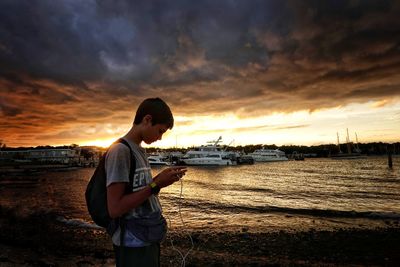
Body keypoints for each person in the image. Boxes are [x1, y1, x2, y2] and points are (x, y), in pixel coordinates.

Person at [106, 97, 187, 267]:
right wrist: (156, 185)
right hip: (131, 243)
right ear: (147, 119)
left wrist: (160, 179)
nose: (160, 138)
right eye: (160, 131)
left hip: (146, 237)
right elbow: (115, 208)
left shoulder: (140, 151)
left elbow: (141, 190)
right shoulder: (120, 151)